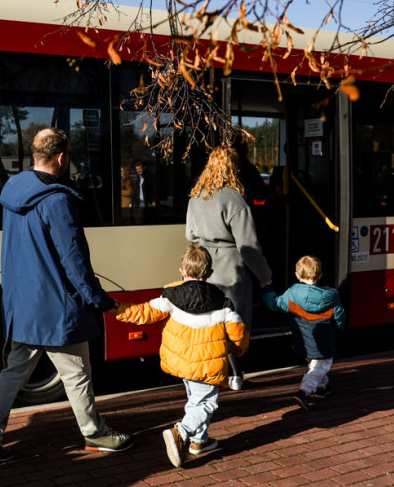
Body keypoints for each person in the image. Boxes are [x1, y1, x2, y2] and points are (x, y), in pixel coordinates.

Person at [0, 128, 133, 462]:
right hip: (57, 306)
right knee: (77, 374)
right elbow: (74, 260)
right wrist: (101, 301)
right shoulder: (57, 200)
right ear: (61, 157)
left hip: (22, 304)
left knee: (13, 372)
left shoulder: (13, 190)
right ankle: (95, 433)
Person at [114, 245, 248, 467]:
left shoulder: (171, 296)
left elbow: (144, 313)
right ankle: (181, 432)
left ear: (182, 271)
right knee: (206, 404)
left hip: (182, 362)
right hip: (208, 365)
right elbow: (238, 331)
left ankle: (199, 441)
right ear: (210, 273)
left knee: (196, 401)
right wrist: (240, 347)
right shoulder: (223, 302)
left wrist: (118, 309)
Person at [186, 146, 273, 389]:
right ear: (233, 168)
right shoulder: (235, 199)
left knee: (210, 324)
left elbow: (189, 235)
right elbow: (248, 246)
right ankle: (235, 375)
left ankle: (211, 376)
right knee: (233, 325)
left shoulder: (196, 196)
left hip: (204, 269)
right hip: (231, 269)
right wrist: (265, 277)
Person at [262, 255, 345, 411]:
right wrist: (340, 328)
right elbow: (339, 316)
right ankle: (304, 392)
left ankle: (322, 388)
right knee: (321, 365)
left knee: (316, 365)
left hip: (302, 342)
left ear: (297, 275)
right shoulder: (331, 296)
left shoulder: (293, 293)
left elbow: (275, 304)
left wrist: (268, 289)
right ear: (320, 275)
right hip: (323, 342)